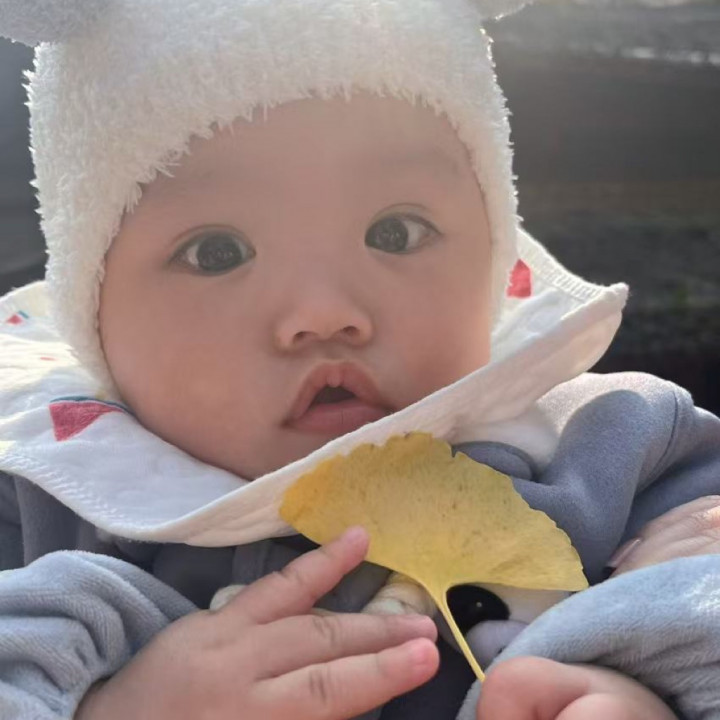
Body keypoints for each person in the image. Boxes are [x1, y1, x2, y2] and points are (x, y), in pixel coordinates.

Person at [0, 1, 719, 719]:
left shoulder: (620, 448)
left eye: (395, 232)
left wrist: (647, 681)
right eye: (217, 253)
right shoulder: (44, 503)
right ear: (92, 313)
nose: (324, 313)